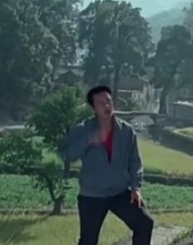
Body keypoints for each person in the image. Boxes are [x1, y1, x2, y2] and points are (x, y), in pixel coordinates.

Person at [61, 85, 154, 245]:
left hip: (120, 192)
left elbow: (135, 161)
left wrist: (136, 188)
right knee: (88, 240)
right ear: (93, 108)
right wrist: (90, 140)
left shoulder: (126, 131)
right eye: (100, 103)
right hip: (92, 195)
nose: (106, 106)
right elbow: (67, 155)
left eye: (108, 101)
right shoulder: (83, 130)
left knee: (145, 223)